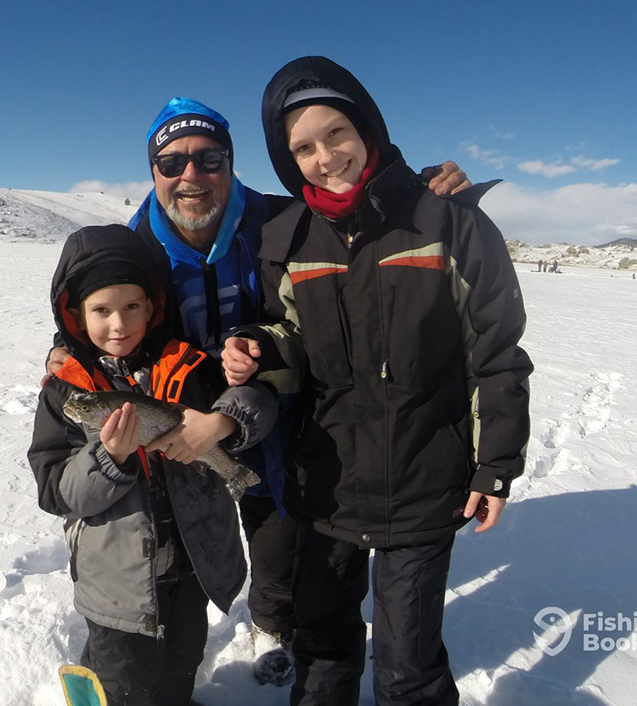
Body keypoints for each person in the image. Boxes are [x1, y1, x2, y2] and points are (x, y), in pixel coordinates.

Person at [44, 97, 473, 677]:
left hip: (281, 403)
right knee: (190, 529)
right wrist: (64, 346)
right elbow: (95, 301)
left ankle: (271, 619)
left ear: (230, 163)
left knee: (277, 525)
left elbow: (356, 218)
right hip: (181, 415)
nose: (190, 175)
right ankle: (162, 641)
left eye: (208, 158)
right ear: (153, 172)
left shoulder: (279, 220)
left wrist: (417, 194)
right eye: (171, 163)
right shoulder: (136, 244)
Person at [222, 55, 533, 706]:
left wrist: (495, 466)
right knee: (325, 654)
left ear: (367, 128)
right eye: (302, 147)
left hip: (423, 484)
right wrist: (257, 348)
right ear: (287, 160)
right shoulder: (288, 236)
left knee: (406, 672)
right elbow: (292, 338)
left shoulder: (449, 220)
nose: (325, 156)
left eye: (336, 133)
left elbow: (496, 351)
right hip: (327, 487)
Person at [28, 224, 277, 705]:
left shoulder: (189, 367)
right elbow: (55, 492)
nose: (118, 324)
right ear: (77, 315)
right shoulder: (66, 391)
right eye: (101, 310)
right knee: (121, 682)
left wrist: (223, 422)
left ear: (153, 307)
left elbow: (259, 402)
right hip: (117, 585)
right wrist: (110, 456)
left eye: (131, 307)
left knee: (181, 666)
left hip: (191, 568)